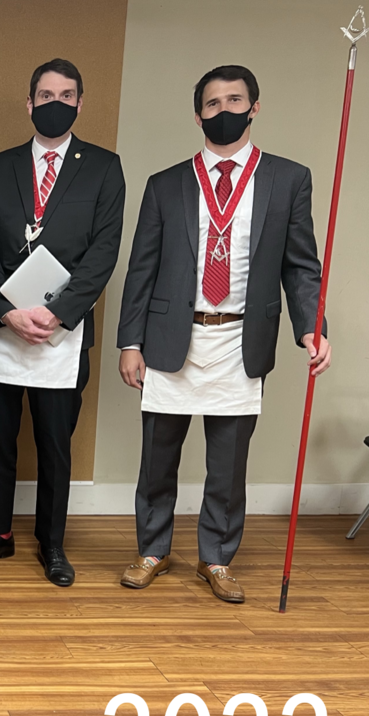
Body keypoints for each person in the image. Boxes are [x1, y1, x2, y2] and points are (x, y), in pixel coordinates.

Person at [116, 65, 330, 603]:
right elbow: (141, 268)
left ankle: (216, 558)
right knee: (157, 458)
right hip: (172, 336)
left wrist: (312, 327)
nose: (224, 110)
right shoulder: (166, 183)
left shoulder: (288, 179)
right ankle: (152, 550)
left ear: (254, 108)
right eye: (213, 103)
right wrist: (130, 342)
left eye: (235, 101)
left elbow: (302, 266)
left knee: (228, 466)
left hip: (240, 339)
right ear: (198, 115)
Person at [0, 59, 126, 586]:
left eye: (66, 95)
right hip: (3, 326)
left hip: (64, 332)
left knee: (56, 446)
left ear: (80, 103)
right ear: (29, 102)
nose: (54, 103)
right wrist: (8, 310)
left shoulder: (104, 167)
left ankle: (52, 543)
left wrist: (57, 312)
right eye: (45, 95)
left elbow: (103, 253)